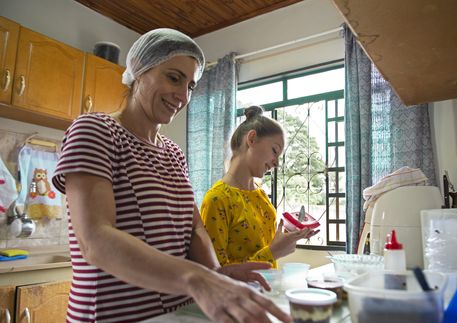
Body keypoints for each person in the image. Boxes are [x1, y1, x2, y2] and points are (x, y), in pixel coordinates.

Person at [52, 29, 291, 323]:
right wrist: (198, 279)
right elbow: (97, 241)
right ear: (139, 71)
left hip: (178, 315)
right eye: (174, 77)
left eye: (191, 86)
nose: (183, 95)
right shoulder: (95, 131)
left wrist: (216, 274)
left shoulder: (174, 153)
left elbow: (194, 229)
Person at [200, 106, 317, 269]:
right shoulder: (217, 200)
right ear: (252, 139)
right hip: (240, 294)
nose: (276, 163)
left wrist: (289, 236)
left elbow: (262, 245)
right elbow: (216, 272)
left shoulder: (260, 194)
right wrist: (273, 253)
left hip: (267, 290)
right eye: (275, 151)